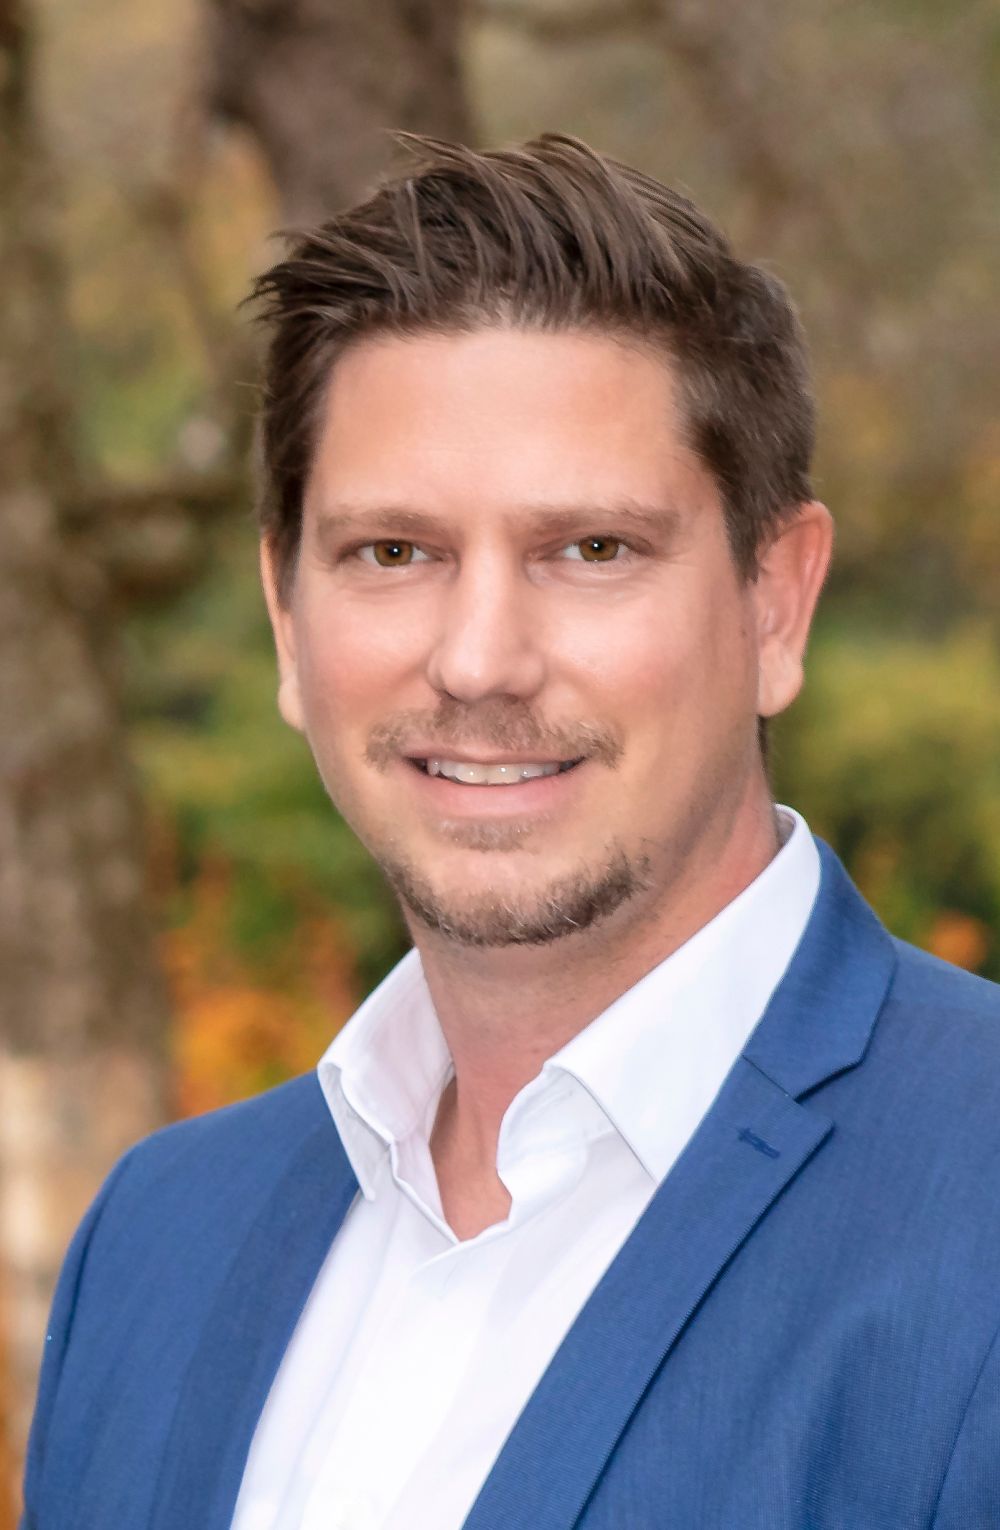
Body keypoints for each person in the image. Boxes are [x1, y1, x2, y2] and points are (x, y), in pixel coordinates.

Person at [20, 134, 1000, 1530]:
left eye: (591, 549)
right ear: (287, 619)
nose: (480, 660)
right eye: (394, 552)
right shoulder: (154, 1245)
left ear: (775, 602)